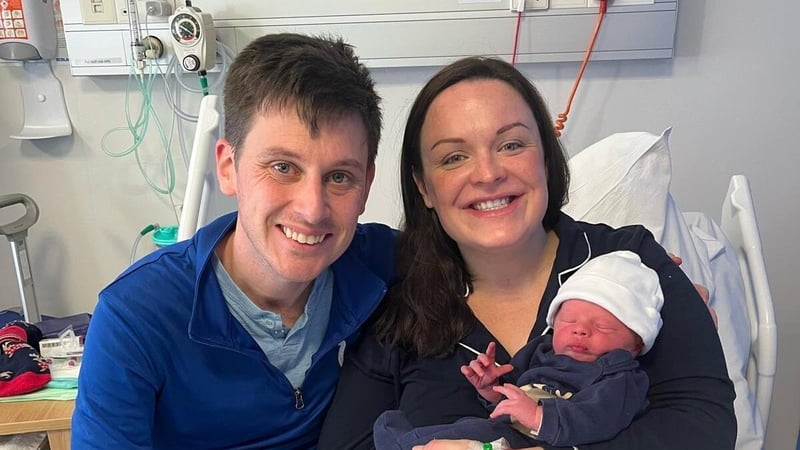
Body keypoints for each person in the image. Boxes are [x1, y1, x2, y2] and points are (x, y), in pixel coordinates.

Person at [317, 56, 735, 450]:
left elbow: (705, 425)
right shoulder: (399, 307)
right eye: (454, 157)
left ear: (546, 158)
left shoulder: (630, 266)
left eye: (512, 145)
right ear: (424, 186)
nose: (488, 173)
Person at [71, 33, 394, 449]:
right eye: (282, 167)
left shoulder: (383, 265)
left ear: (366, 185)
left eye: (339, 177)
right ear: (228, 167)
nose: (312, 209)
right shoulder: (137, 318)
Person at [373, 250, 663, 449]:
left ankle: (402, 443)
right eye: (569, 321)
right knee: (466, 428)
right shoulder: (543, 350)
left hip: (540, 440)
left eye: (602, 326)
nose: (580, 330)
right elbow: (518, 392)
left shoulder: (620, 375)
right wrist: (492, 388)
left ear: (636, 343)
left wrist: (539, 418)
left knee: (470, 433)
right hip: (505, 430)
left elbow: (601, 419)